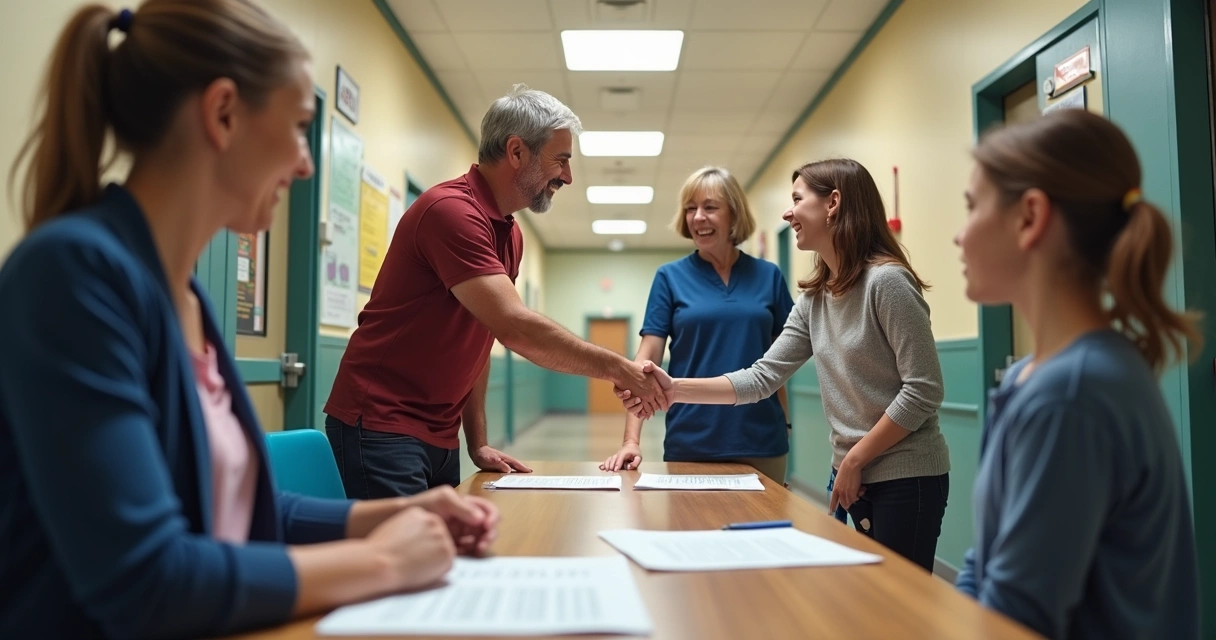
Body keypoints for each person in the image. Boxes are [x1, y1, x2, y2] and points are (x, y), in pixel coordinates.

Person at [0, 2, 499, 638]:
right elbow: (146, 579)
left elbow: (231, 510)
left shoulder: (180, 295)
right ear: (223, 113)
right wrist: (380, 561)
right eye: (297, 128)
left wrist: (379, 518)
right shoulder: (73, 276)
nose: (305, 162)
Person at [323, 85, 668, 499]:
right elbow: (514, 327)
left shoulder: (510, 233)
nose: (568, 177)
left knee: (441, 551)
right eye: (560, 160)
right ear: (517, 151)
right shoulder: (451, 211)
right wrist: (618, 368)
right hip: (381, 424)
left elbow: (480, 339)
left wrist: (477, 441)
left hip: (438, 433)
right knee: (403, 557)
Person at [624, 159, 951, 572]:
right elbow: (762, 376)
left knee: (902, 603)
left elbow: (923, 390)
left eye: (797, 199)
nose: (787, 212)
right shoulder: (816, 299)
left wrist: (853, 460)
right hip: (855, 473)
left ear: (833, 204)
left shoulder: (887, 282)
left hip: (905, 475)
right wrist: (674, 389)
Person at [953, 109, 1200, 639]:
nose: (959, 234)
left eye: (972, 207)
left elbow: (1016, 618)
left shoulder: (1071, 395)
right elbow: (986, 562)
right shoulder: (1031, 377)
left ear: (1030, 217)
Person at [599, 166, 793, 483]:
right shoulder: (670, 277)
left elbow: (779, 363)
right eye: (691, 209)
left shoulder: (768, 276)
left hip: (762, 440)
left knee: (760, 531)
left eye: (710, 207)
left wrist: (785, 424)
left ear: (734, 213)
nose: (698, 217)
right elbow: (645, 362)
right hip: (692, 439)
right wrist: (630, 440)